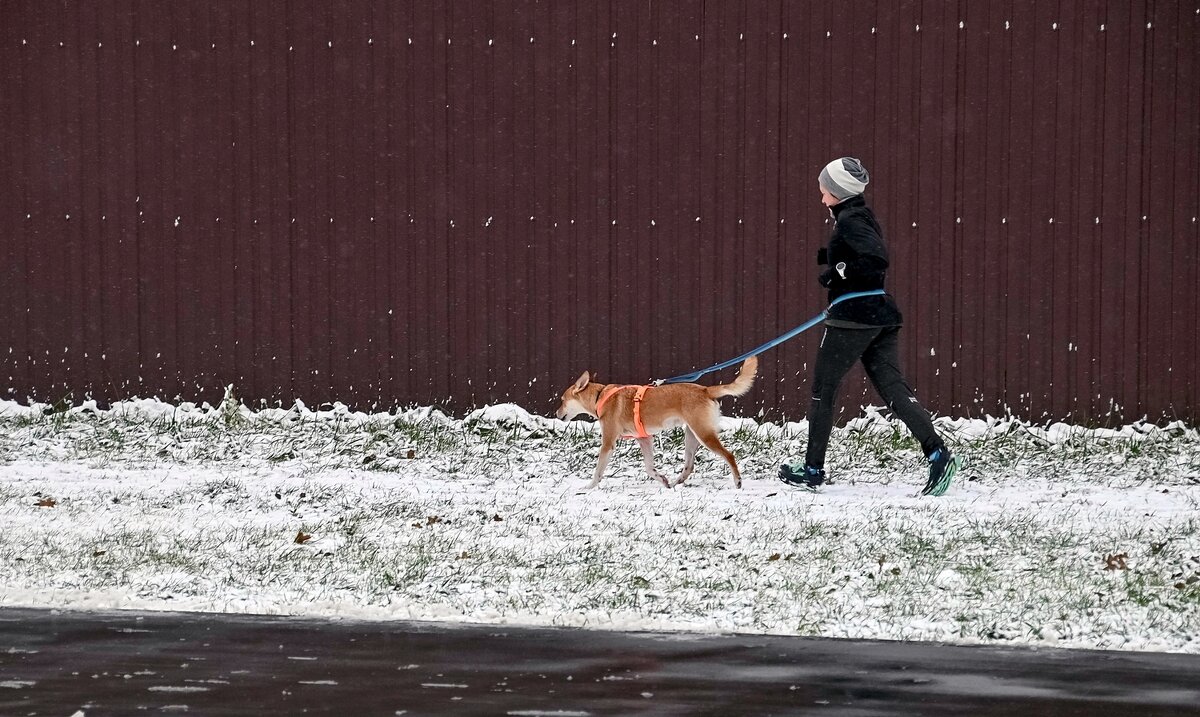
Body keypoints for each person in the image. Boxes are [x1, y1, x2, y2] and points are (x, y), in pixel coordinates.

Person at [778, 157, 958, 496]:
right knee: (893, 389)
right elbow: (862, 252)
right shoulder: (859, 214)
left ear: (838, 191)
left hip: (853, 317)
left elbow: (876, 258)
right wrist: (831, 259)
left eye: (824, 189)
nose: (821, 195)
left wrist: (837, 272)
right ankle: (938, 454)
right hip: (880, 314)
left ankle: (812, 470)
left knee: (823, 389)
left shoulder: (850, 220)